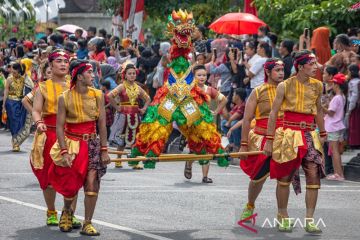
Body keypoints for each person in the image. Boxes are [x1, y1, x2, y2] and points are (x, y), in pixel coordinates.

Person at [264, 50, 326, 234]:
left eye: (316, 64)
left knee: (313, 176)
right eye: (312, 64)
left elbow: (319, 111)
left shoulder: (318, 85)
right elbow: (274, 113)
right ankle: (282, 216)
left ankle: (310, 220)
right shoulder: (284, 85)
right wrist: (269, 139)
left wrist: (322, 133)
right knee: (284, 177)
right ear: (300, 66)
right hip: (289, 134)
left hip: (309, 134)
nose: (316, 67)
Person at [48, 59, 110, 235]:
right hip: (73, 145)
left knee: (92, 184)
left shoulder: (98, 94)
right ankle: (67, 211)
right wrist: (64, 151)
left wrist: (104, 149)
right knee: (71, 184)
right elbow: (60, 126)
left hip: (92, 145)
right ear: (80, 76)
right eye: (90, 73)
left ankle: (87, 223)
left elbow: (102, 125)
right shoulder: (64, 97)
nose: (93, 76)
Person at [31, 50, 81, 228]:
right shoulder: (43, 87)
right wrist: (38, 122)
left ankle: (69, 213)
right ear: (50, 65)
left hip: (71, 134)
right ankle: (51, 211)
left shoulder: (75, 86)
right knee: (49, 178)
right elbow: (36, 109)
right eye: (58, 61)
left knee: (73, 176)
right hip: (49, 134)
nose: (63, 64)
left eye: (66, 61)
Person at [239, 58, 285, 220]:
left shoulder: (288, 90)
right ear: (267, 72)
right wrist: (243, 144)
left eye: (282, 70)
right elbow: (246, 119)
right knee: (258, 178)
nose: (281, 73)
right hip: (262, 139)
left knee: (284, 179)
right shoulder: (258, 91)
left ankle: (282, 213)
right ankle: (250, 204)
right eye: (277, 70)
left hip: (284, 139)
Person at [184, 65, 227, 183]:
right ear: (194, 76)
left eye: (204, 75)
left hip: (208, 124)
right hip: (193, 125)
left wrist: (216, 112)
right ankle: (189, 163)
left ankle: (205, 176)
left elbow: (224, 100)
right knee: (195, 149)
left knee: (207, 149)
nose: (202, 77)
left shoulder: (210, 89)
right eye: (199, 75)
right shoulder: (189, 89)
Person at [108, 62, 150, 169]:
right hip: (123, 116)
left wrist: (144, 109)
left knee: (135, 140)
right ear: (125, 75)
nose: (132, 75)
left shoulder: (138, 88)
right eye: (129, 73)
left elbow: (148, 99)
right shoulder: (122, 86)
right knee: (121, 140)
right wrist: (117, 107)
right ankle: (118, 161)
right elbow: (109, 96)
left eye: (133, 73)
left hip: (135, 116)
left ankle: (134, 162)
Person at [2, 62, 34, 151]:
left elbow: (31, 88)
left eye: (15, 72)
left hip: (21, 103)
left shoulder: (25, 79)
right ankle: (15, 143)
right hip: (11, 104)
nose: (13, 74)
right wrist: (4, 105)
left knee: (21, 122)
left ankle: (17, 142)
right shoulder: (9, 79)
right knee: (13, 123)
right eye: (12, 72)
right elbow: (6, 92)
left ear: (19, 71)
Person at [323, 73, 347, 181]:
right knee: (334, 150)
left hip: (333, 126)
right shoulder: (341, 96)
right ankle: (339, 173)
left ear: (336, 85)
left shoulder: (337, 98)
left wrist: (320, 107)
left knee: (334, 151)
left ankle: (338, 174)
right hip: (334, 126)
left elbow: (331, 113)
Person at [221, 88, 247, 152]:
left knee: (233, 123)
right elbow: (228, 117)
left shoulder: (243, 105)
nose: (232, 96)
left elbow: (235, 116)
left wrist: (229, 122)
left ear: (237, 96)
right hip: (236, 126)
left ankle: (237, 145)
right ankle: (231, 142)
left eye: (233, 94)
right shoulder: (236, 106)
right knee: (224, 122)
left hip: (243, 127)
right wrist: (223, 104)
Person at [346, 64, 360, 147]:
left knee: (354, 124)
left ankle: (355, 143)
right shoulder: (357, 81)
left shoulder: (353, 83)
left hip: (355, 107)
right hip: (356, 106)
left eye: (348, 71)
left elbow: (354, 96)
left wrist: (350, 108)